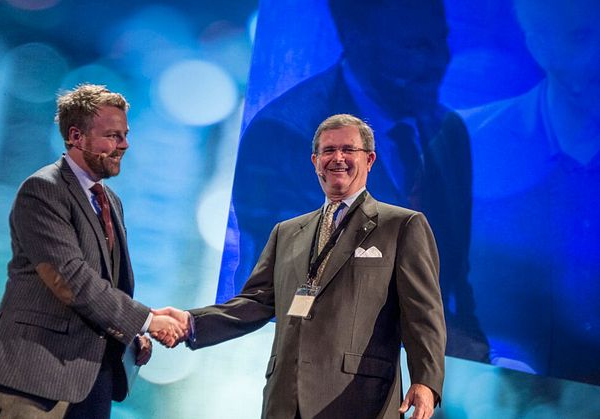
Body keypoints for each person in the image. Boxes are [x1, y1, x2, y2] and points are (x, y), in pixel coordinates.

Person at [222, 0, 487, 362]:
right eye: (414, 46)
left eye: (440, 41)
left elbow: (455, 282)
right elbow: (296, 284)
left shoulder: (449, 132)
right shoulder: (284, 134)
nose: (436, 61)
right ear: (356, 38)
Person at [161, 114, 446, 419]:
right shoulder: (286, 232)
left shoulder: (402, 225)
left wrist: (425, 379)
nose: (337, 158)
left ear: (370, 159)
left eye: (349, 150)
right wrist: (191, 323)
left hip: (359, 398)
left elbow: (423, 312)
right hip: (286, 397)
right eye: (328, 150)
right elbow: (254, 303)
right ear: (314, 160)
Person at [0, 84, 188, 418]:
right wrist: (145, 321)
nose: (124, 145)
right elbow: (71, 280)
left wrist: (129, 334)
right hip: (38, 377)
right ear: (76, 136)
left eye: (125, 135)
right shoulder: (43, 190)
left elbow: (106, 287)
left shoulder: (110, 201)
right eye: (113, 136)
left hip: (93, 378)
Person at [460, 0, 600, 383]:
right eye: (580, 36)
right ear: (535, 42)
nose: (592, 56)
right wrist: (484, 357)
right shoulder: (468, 143)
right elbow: (424, 281)